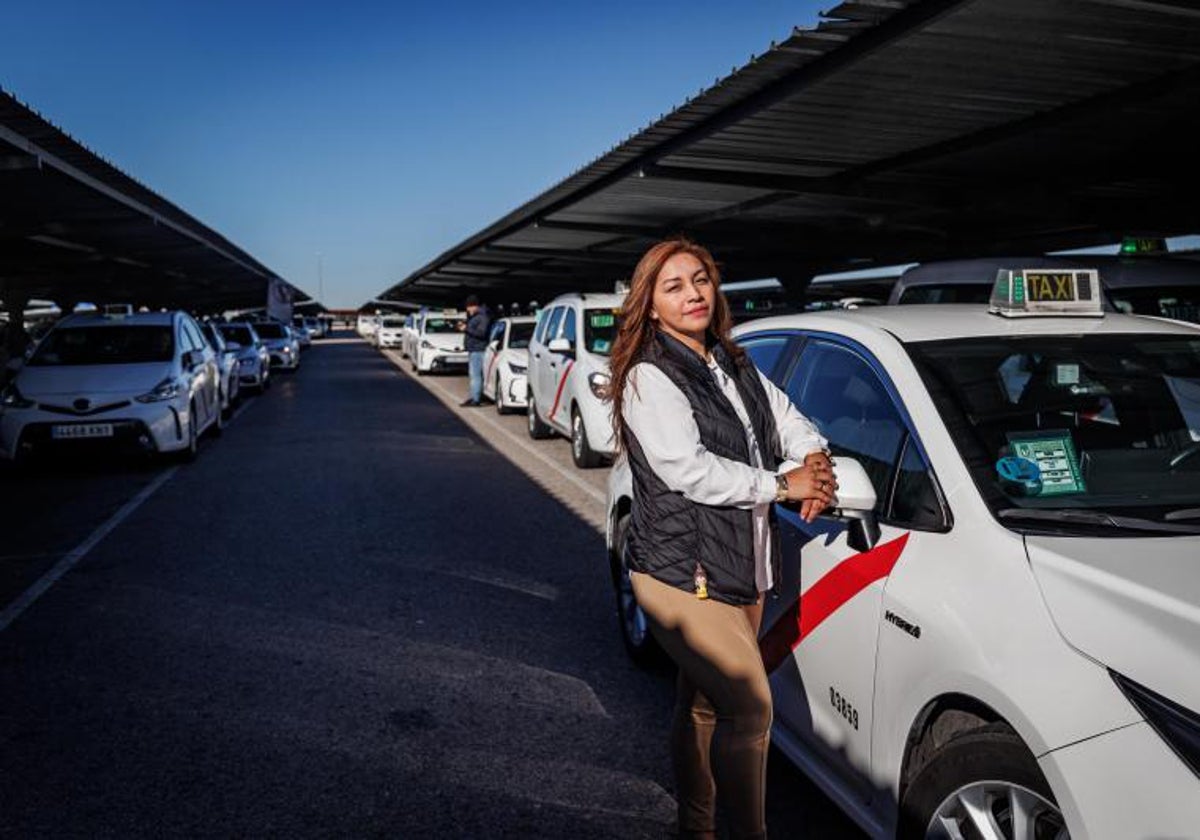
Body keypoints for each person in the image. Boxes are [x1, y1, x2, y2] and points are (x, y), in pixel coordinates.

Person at [609, 238, 837, 839]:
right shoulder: (646, 377)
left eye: (700, 280)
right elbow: (689, 469)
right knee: (750, 707)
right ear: (651, 306)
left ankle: (698, 828)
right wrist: (783, 485)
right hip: (681, 573)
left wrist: (814, 460)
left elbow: (788, 417)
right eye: (674, 286)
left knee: (703, 704)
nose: (693, 294)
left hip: (743, 564)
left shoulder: (732, 360)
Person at [459, 294, 491, 407]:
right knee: (473, 375)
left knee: (476, 375)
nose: (467, 310)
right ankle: (474, 396)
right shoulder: (475, 317)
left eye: (468, 307)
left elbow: (482, 333)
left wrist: (466, 328)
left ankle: (476, 399)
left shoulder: (482, 317)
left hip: (478, 349)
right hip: (473, 349)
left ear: (474, 306)